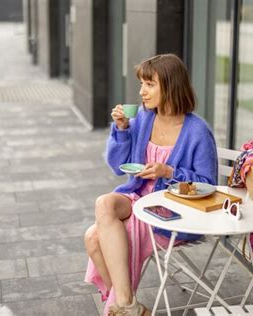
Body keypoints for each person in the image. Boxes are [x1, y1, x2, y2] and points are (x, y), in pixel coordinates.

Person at [84, 54, 218, 316]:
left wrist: (169, 171)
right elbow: (116, 165)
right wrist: (121, 130)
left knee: (93, 238)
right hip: (138, 199)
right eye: (141, 84)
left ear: (170, 85)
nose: (141, 91)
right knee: (104, 203)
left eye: (149, 84)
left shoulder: (197, 131)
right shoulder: (145, 119)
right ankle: (127, 304)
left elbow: (208, 185)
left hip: (172, 213)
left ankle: (122, 306)